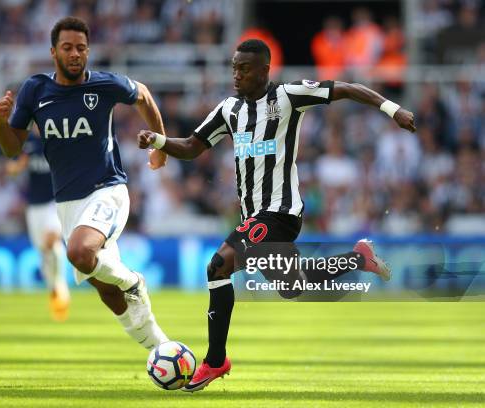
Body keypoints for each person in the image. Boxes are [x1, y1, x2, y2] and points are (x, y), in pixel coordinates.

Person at [138, 39, 416, 391]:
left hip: (280, 211)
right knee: (292, 286)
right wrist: (159, 141)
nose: (236, 74)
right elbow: (193, 147)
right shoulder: (228, 110)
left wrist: (392, 109)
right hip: (255, 216)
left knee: (217, 266)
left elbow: (346, 88)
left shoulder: (288, 97)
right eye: (234, 67)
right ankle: (357, 257)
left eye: (244, 68)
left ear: (264, 70)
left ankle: (214, 360)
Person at [0, 16, 169, 350]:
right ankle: (158, 347)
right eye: (68, 47)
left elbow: (143, 95)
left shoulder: (103, 86)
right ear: (53, 52)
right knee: (106, 290)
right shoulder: (35, 90)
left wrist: (161, 146)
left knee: (78, 252)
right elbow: (10, 147)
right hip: (67, 205)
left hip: (108, 190)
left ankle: (133, 280)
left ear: (88, 52)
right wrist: (2, 122)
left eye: (81, 48)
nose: (75, 54)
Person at [5, 124, 70, 321]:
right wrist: (17, 166)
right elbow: (12, 170)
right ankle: (54, 289)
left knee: (52, 240)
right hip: (34, 206)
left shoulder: (58, 140)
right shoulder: (28, 144)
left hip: (55, 201)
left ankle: (60, 286)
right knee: (44, 251)